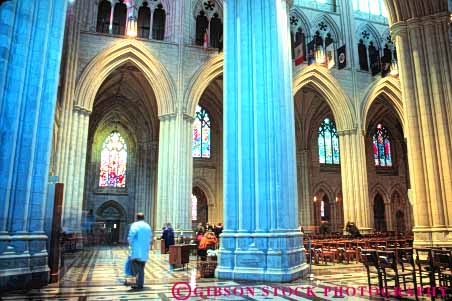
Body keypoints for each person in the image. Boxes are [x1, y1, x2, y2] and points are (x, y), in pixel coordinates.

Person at [127, 212, 152, 290]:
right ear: (143, 217)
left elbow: (131, 236)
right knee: (141, 268)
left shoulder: (135, 225)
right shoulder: (148, 226)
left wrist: (130, 244)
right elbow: (150, 238)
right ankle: (140, 283)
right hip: (145, 251)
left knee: (134, 268)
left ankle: (135, 283)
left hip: (136, 250)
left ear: (136, 217)